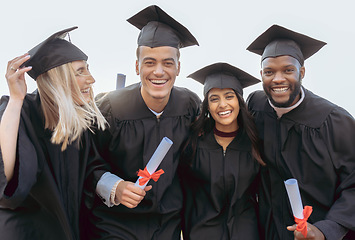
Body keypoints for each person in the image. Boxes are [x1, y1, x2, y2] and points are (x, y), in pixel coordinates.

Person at [84, 5, 201, 240]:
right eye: (149, 62)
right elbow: (87, 161)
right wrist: (115, 187)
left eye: (168, 63)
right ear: (137, 66)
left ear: (179, 67)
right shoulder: (110, 107)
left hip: (167, 223)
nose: (159, 71)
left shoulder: (189, 104)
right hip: (115, 223)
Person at [246, 24, 355, 240]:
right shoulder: (255, 107)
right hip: (267, 231)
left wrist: (327, 229)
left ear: (301, 72)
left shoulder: (334, 121)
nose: (278, 79)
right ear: (261, 75)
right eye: (269, 72)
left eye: (288, 70)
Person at [0, 27, 108, 240]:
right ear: (58, 77)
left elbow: (91, 172)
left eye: (88, 69)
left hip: (68, 230)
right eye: (80, 71)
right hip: (27, 233)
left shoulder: (81, 122)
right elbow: (7, 178)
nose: (91, 79)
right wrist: (15, 100)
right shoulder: (21, 111)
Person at [178, 62, 265, 240]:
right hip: (200, 232)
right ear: (207, 106)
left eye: (229, 96)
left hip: (247, 233)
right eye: (214, 99)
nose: (223, 104)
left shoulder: (255, 142)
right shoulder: (194, 143)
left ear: (239, 101)